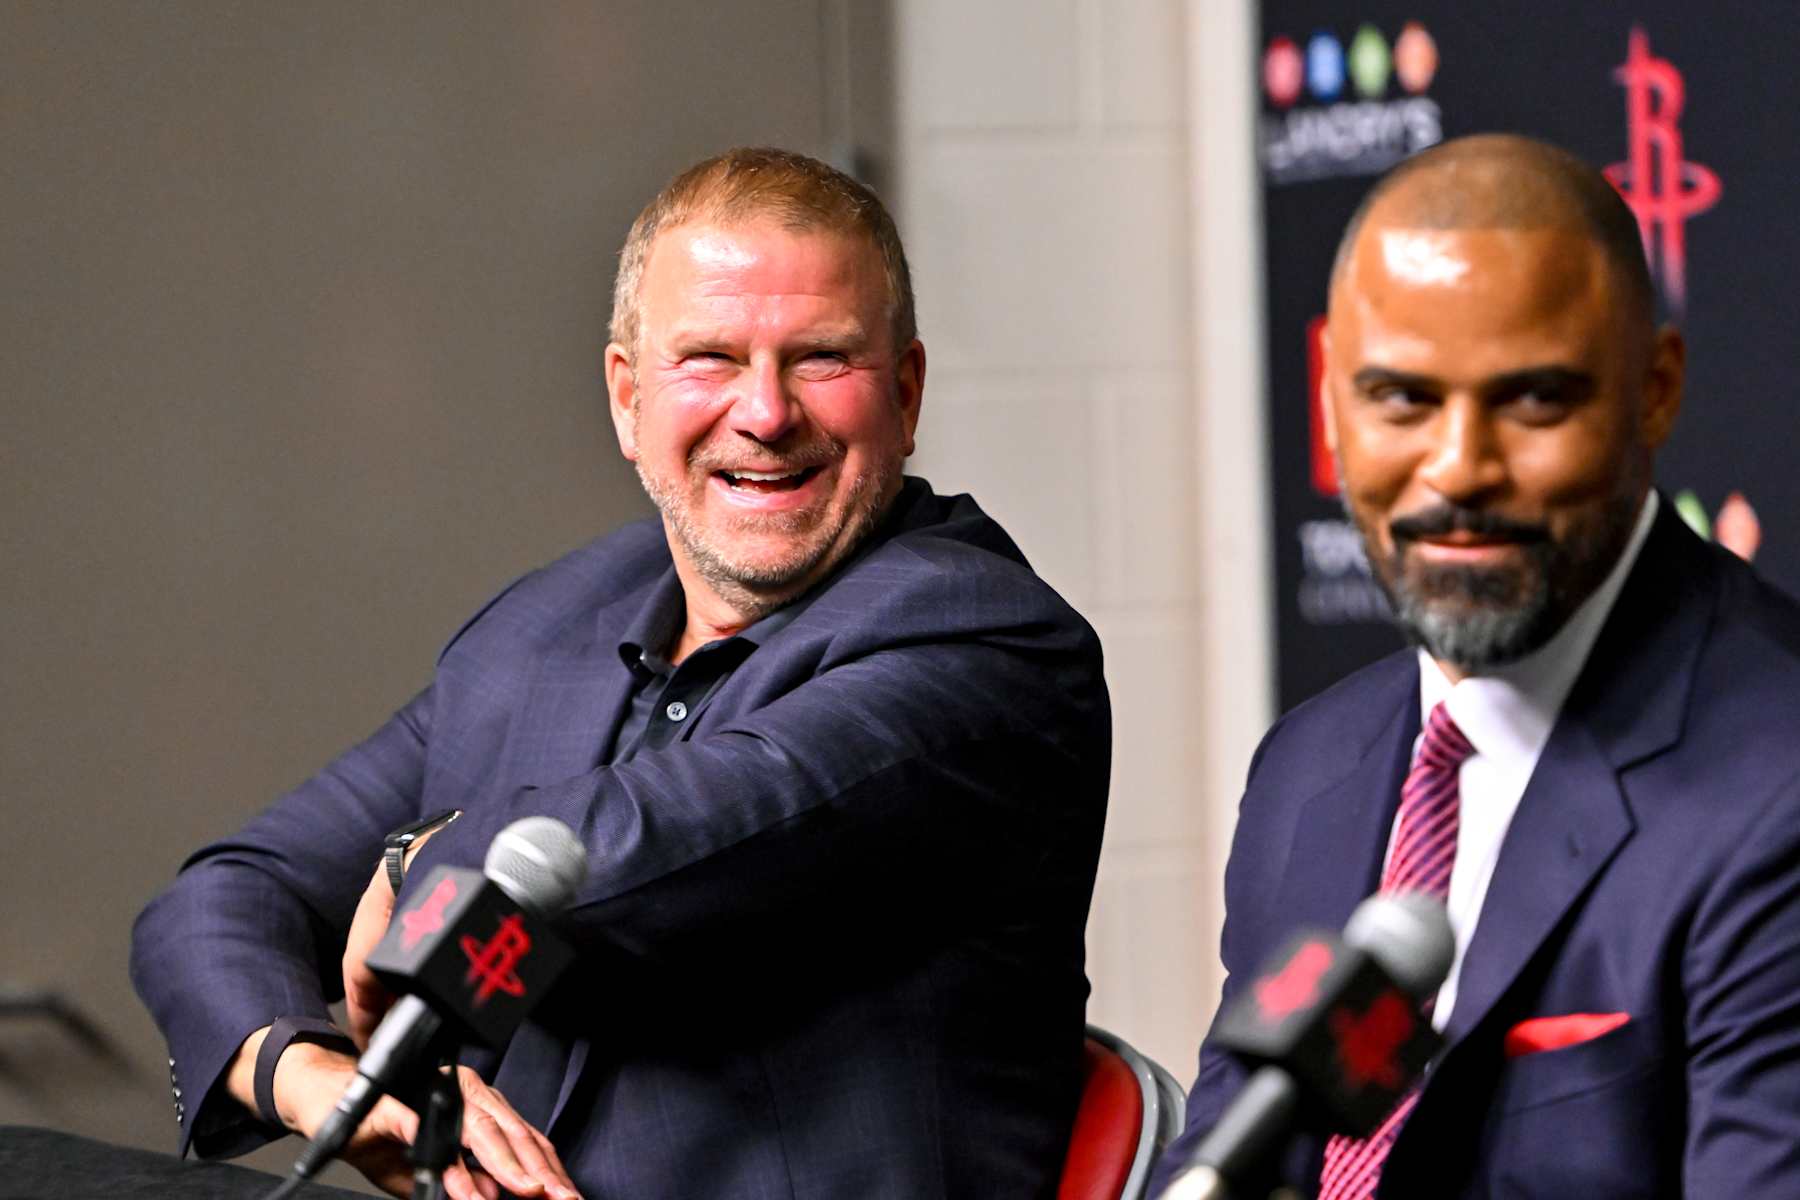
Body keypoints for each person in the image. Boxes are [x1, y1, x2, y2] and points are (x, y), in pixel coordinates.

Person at [132, 147, 1111, 1200]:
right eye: (710, 360)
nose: (767, 413)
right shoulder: (549, 624)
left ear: (907, 394)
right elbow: (229, 895)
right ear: (626, 399)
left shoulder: (985, 643)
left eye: (821, 357)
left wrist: (418, 856)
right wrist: (307, 1072)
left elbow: (648, 843)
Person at [1154, 133, 1800, 1197]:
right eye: (1401, 399)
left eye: (1534, 400)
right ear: (1330, 404)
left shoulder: (1775, 786)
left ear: (1656, 391)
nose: (1460, 467)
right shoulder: (1308, 772)